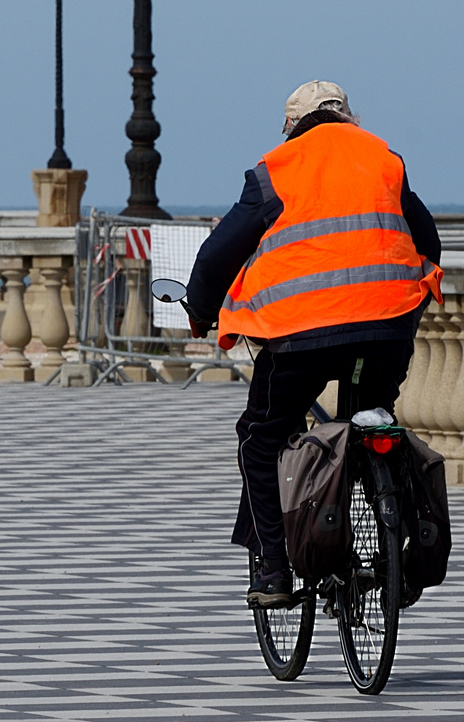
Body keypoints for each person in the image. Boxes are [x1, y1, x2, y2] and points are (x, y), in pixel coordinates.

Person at [183, 81, 442, 608]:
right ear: (347, 116)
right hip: (385, 327)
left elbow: (217, 256)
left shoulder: (274, 169)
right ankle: (404, 544)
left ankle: (275, 573)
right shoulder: (384, 158)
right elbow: (427, 239)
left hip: (299, 335)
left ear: (293, 125)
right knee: (371, 418)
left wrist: (202, 311)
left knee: (260, 440)